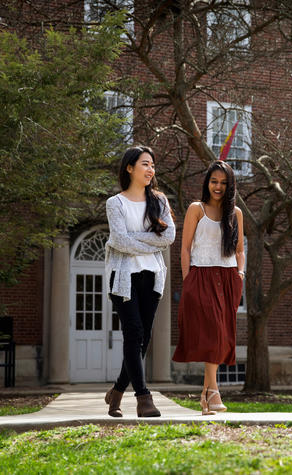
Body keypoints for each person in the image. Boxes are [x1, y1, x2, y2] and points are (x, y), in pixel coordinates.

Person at [104, 146, 175, 418]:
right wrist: (149, 241)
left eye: (152, 165)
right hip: (123, 276)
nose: (150, 170)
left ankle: (117, 391)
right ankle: (143, 398)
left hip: (153, 275)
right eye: (145, 164)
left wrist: (133, 240)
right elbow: (118, 241)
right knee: (133, 332)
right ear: (129, 168)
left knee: (142, 338)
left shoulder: (160, 201)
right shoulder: (116, 203)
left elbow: (167, 239)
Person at [173, 160, 245, 415]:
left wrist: (240, 275)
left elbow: (239, 251)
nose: (218, 186)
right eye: (214, 181)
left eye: (223, 183)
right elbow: (184, 248)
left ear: (230, 186)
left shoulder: (235, 213)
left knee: (221, 335)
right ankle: (214, 391)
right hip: (200, 275)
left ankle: (206, 396)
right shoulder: (196, 209)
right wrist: (188, 279)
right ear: (207, 182)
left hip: (227, 278)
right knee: (213, 332)